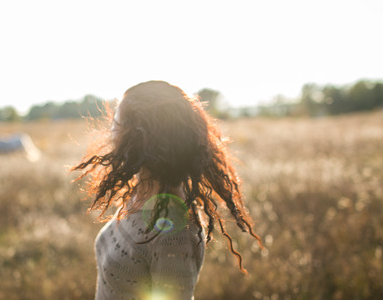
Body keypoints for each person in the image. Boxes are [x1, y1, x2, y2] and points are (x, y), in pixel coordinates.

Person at [72, 81, 262, 300]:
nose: (110, 132)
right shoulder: (141, 195)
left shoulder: (173, 233)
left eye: (116, 123)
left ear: (141, 135)